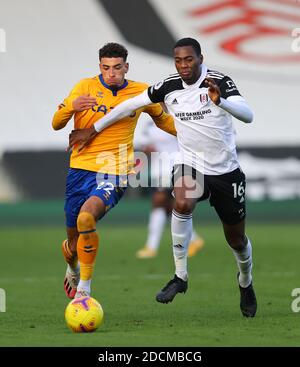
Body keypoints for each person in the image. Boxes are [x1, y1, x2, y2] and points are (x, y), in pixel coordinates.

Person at [68, 38, 257, 317]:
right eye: (178, 60)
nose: (183, 65)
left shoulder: (219, 81)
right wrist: (91, 130)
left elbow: (248, 115)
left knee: (237, 240)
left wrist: (223, 102)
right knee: (181, 201)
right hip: (190, 164)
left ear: (200, 58)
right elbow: (126, 106)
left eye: (189, 59)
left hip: (226, 171)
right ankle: (180, 277)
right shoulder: (168, 86)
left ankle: (245, 281)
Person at [52, 42, 176, 299]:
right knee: (73, 245)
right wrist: (72, 106)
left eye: (117, 67)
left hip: (115, 170)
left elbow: (165, 122)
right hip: (79, 170)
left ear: (126, 67)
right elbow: (56, 124)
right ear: (100, 67)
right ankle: (72, 264)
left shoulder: (141, 92)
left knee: (87, 218)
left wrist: (200, 130)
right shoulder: (85, 87)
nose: (112, 73)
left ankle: (84, 290)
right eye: (106, 68)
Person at [134, 119, 204, 259]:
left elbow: (189, 141)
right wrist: (146, 149)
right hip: (158, 169)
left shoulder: (175, 118)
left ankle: (151, 246)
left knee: (159, 201)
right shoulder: (149, 124)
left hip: (174, 167)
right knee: (170, 208)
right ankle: (194, 239)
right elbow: (144, 145)